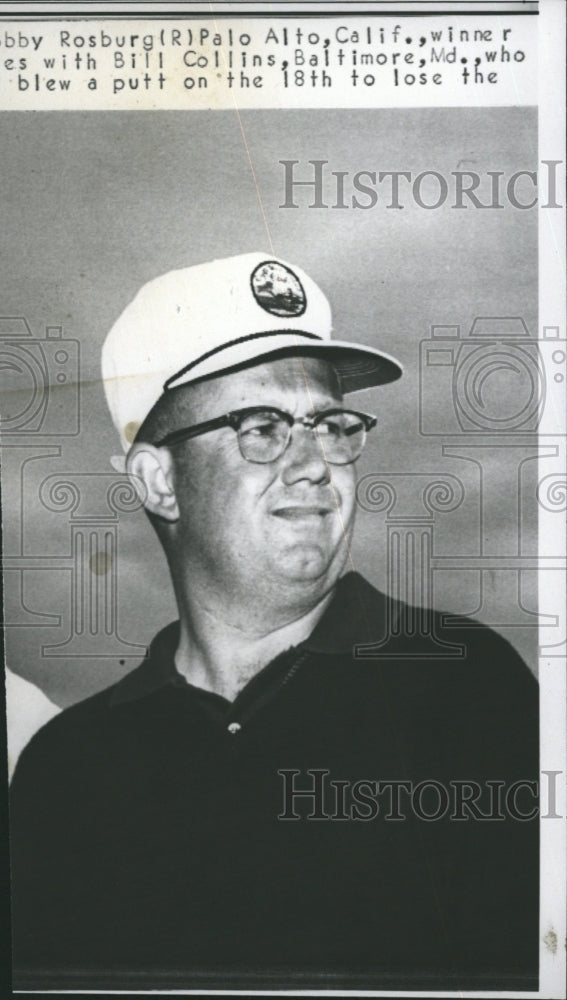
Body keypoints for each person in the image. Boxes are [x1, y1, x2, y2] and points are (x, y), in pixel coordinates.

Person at [10, 253, 539, 992]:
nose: (314, 463)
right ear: (159, 481)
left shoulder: (465, 688)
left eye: (330, 425)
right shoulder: (67, 769)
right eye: (262, 427)